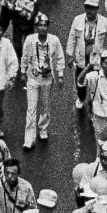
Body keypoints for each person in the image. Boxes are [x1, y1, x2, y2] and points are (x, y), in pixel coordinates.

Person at [19, 13, 64, 149]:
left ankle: (43, 128)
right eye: (40, 25)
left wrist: (60, 75)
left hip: (48, 78)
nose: (43, 28)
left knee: (45, 106)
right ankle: (29, 139)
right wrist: (22, 72)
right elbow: (24, 56)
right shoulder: (30, 40)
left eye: (45, 25)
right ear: (36, 26)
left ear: (48, 26)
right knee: (31, 108)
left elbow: (60, 58)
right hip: (33, 78)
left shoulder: (54, 40)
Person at [65, 0, 107, 109]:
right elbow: (72, 38)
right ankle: (81, 98)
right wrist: (70, 55)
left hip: (97, 59)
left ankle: (95, 100)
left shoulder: (105, 22)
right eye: (87, 7)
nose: (89, 11)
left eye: (92, 8)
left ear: (97, 9)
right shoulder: (77, 20)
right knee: (80, 80)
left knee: (97, 82)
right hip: (81, 58)